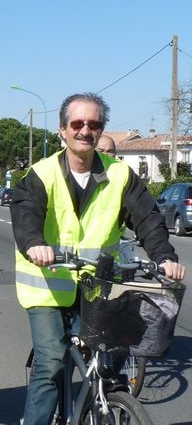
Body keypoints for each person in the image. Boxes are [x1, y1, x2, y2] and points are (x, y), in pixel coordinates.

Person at [10, 92, 185, 425]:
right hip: (47, 285)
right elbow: (25, 216)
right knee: (51, 363)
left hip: (97, 284)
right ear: (62, 130)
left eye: (94, 124)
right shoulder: (41, 174)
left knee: (116, 350)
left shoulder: (120, 175)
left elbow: (147, 218)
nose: (85, 130)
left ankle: (101, 401)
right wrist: (35, 244)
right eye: (77, 123)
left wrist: (164, 256)